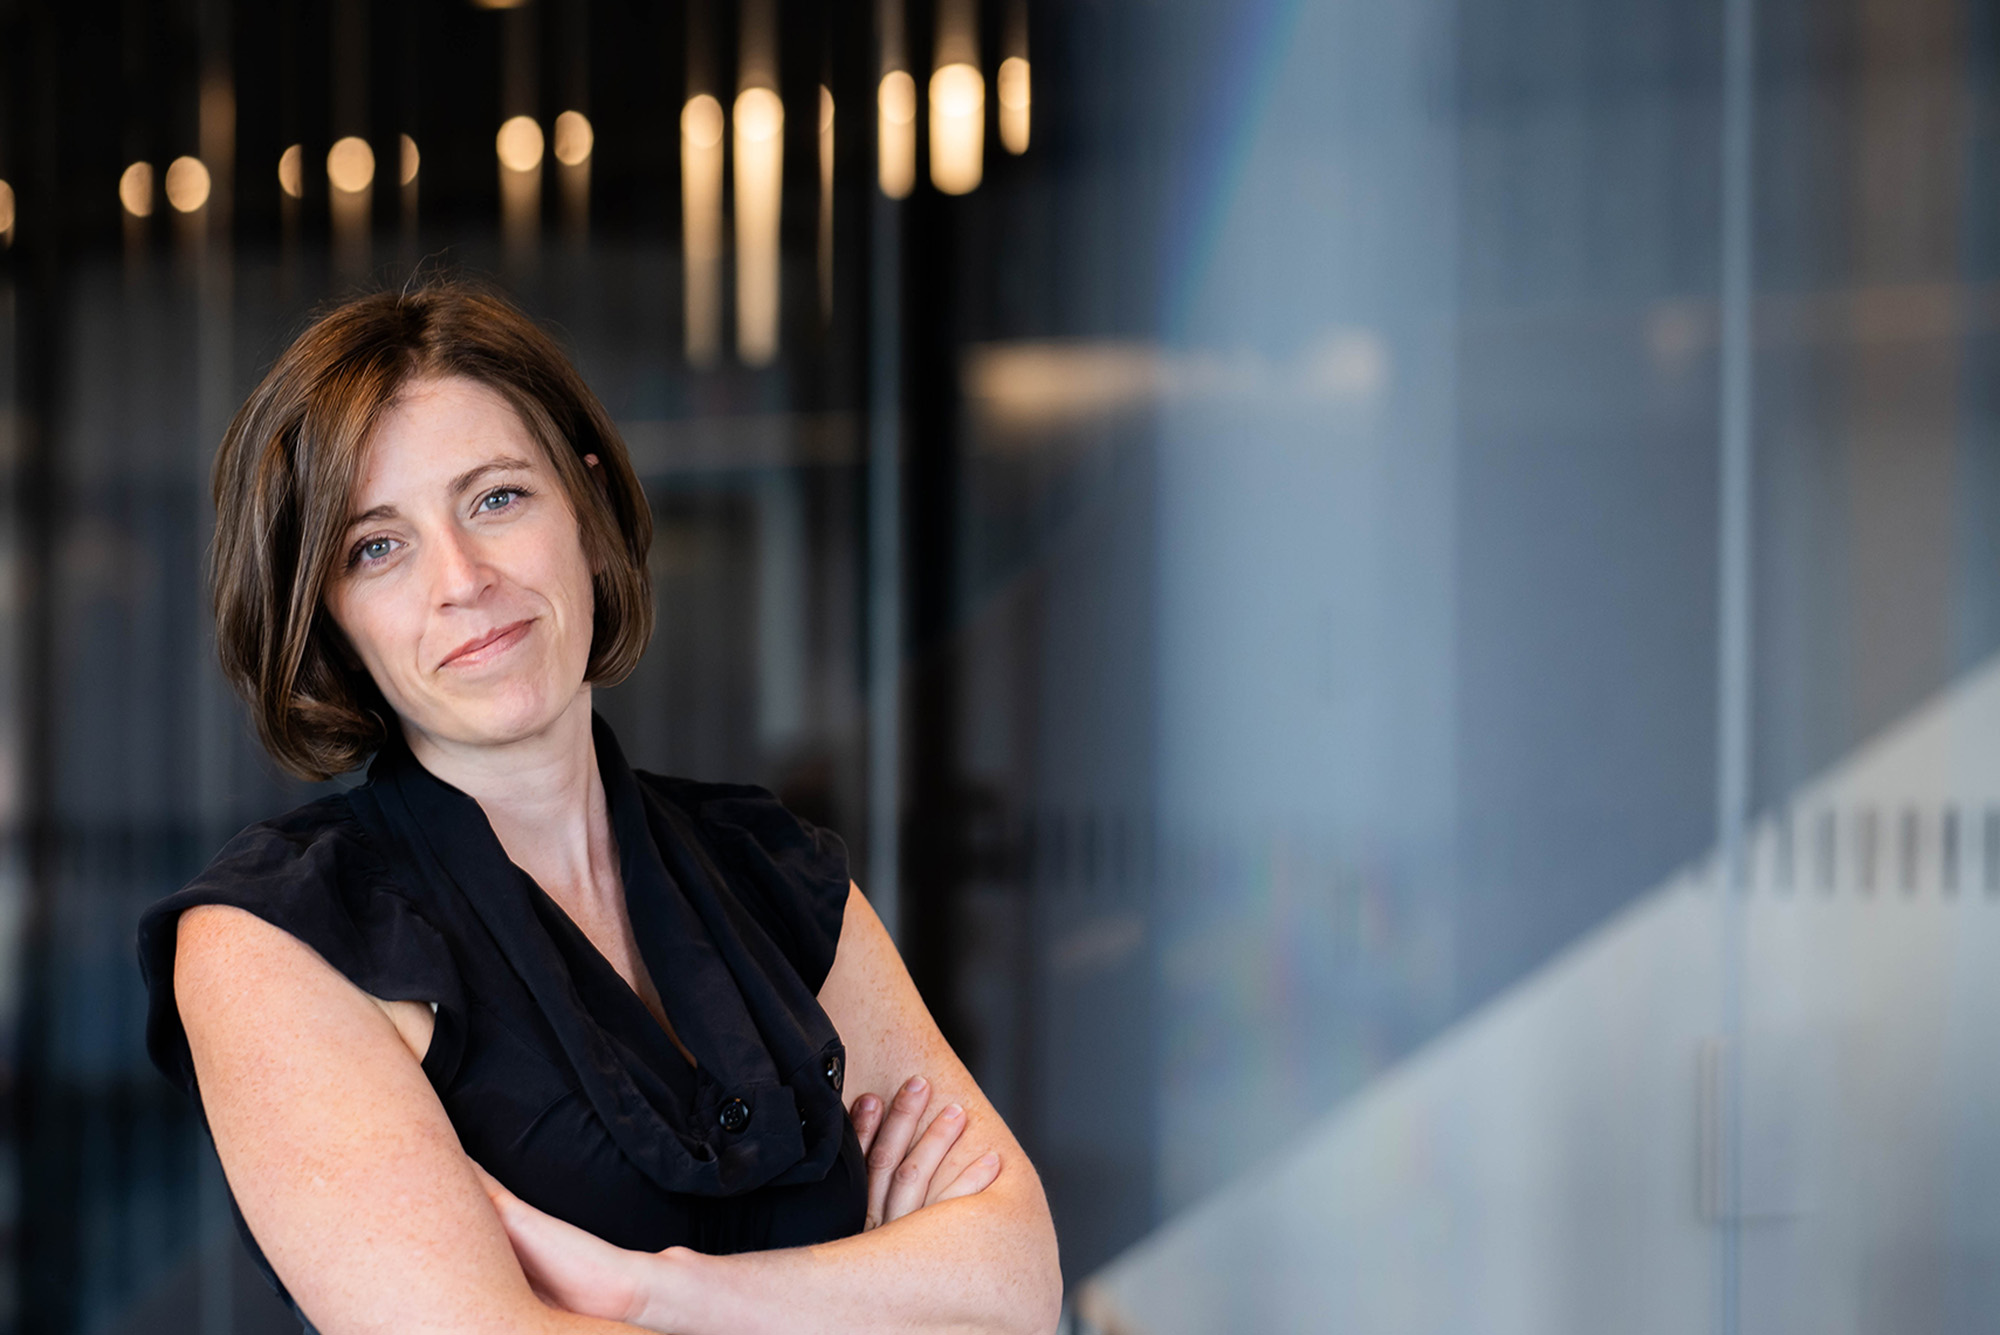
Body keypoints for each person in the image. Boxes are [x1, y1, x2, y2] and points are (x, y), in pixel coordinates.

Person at [135, 280, 1062, 1334]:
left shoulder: (770, 867)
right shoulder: (277, 941)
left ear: (584, 508)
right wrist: (875, 1291)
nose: (462, 579)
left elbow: (1017, 1279)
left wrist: (655, 1294)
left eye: (496, 498)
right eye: (377, 548)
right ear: (330, 620)